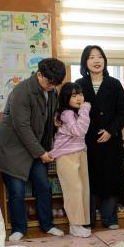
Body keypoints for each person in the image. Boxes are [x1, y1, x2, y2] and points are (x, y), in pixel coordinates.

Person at [0, 58, 67, 241]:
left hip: (35, 147)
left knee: (44, 186)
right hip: (12, 150)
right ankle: (19, 228)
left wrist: (56, 122)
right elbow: (22, 127)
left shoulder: (52, 91)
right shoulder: (22, 91)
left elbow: (48, 119)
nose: (52, 87)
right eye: (49, 82)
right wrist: (41, 153)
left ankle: (47, 225)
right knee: (16, 191)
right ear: (39, 74)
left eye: (55, 84)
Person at [76, 45, 124, 230]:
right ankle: (87, 220)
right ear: (85, 62)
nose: (96, 60)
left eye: (99, 57)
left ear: (105, 60)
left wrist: (110, 131)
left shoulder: (114, 83)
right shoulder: (79, 84)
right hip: (86, 140)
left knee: (111, 178)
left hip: (111, 139)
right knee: (88, 179)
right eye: (91, 57)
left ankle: (110, 219)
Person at [48, 82, 92, 238]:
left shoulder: (74, 113)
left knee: (83, 189)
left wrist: (82, 111)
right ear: (66, 98)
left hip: (80, 153)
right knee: (74, 191)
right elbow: (79, 131)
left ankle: (79, 223)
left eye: (80, 94)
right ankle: (75, 225)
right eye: (74, 95)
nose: (79, 98)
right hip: (67, 156)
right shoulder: (66, 113)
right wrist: (85, 109)